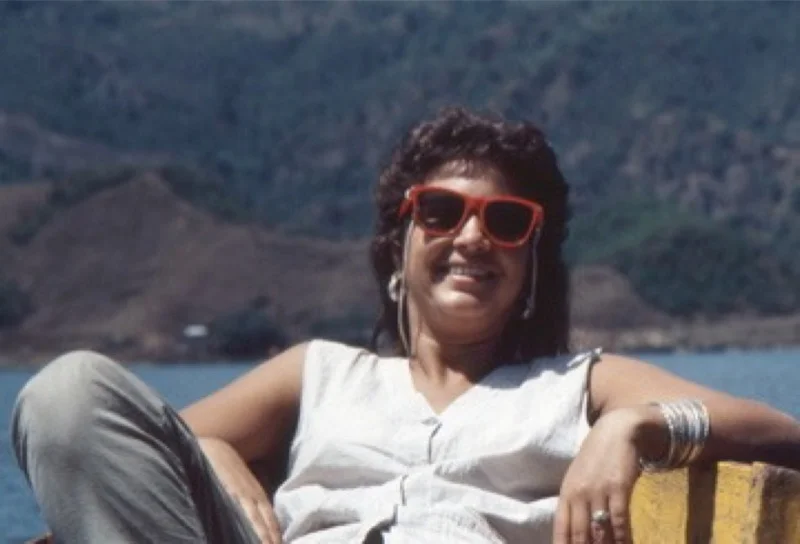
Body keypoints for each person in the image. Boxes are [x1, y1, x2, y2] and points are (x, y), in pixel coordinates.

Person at [11, 107, 800, 544]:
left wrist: (633, 427)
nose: (470, 237)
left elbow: (780, 433)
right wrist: (219, 454)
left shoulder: (579, 384)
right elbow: (139, 452)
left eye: (505, 220)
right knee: (68, 392)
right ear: (401, 241)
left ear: (532, 262)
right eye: (442, 211)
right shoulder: (318, 371)